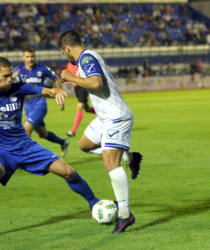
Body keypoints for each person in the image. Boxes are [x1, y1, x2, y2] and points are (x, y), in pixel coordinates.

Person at [0, 45, 100, 238]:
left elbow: (46, 90)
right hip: (0, 151)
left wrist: (56, 92)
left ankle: (95, 203)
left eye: (11, 75)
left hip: (26, 147)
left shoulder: (19, 88)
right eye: (5, 77)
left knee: (68, 171)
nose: (10, 80)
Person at [59, 31, 143, 234]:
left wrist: (72, 77)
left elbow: (96, 83)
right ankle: (129, 157)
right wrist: (76, 78)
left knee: (109, 163)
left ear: (67, 49)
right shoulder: (88, 58)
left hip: (116, 116)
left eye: (64, 53)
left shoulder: (86, 58)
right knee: (85, 145)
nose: (66, 57)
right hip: (105, 117)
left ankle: (124, 214)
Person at [12, 46, 69, 157]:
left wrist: (59, 94)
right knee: (43, 134)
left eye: (32, 56)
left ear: (35, 56)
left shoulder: (42, 69)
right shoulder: (18, 71)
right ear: (23, 57)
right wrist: (12, 78)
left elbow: (56, 78)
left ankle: (27, 158)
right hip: (27, 106)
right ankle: (63, 142)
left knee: (27, 129)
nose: (30, 59)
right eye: (27, 57)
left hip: (40, 105)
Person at [66, 62, 96, 137]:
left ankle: (73, 131)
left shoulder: (81, 62)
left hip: (83, 87)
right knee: (87, 109)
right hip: (77, 89)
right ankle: (106, 113)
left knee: (80, 106)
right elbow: (69, 76)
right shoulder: (69, 64)